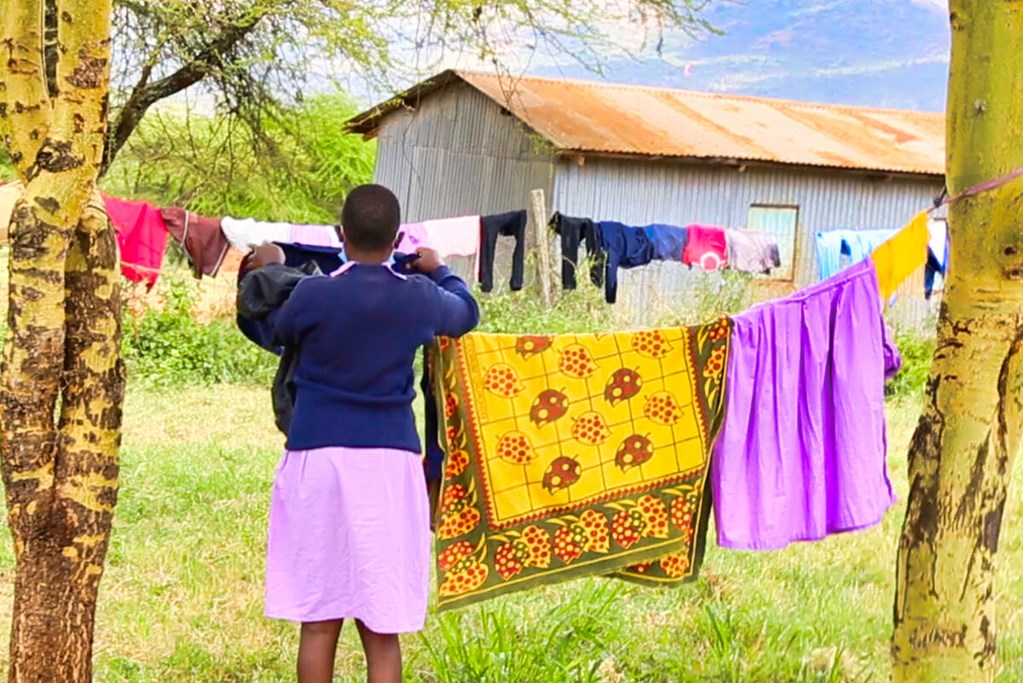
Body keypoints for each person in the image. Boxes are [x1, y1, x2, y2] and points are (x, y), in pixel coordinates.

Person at [249, 184, 480, 683]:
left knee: (318, 624)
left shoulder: (313, 294)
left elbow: (271, 322)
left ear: (339, 236)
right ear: (398, 238)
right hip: (389, 466)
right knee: (381, 628)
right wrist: (438, 268)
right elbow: (466, 313)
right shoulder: (419, 297)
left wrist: (267, 264)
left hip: (318, 459)